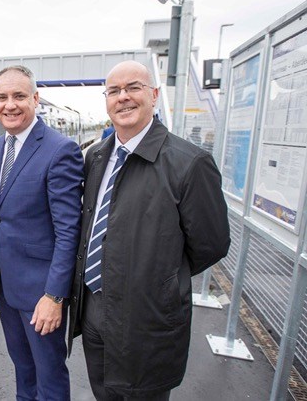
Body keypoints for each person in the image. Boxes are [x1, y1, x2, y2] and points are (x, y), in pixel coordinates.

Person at [69, 61, 230, 401]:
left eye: (133, 88)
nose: (123, 98)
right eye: (114, 91)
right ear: (106, 101)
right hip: (95, 310)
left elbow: (211, 245)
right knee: (104, 394)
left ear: (154, 95)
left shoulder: (189, 162)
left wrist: (161, 279)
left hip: (148, 319)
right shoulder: (96, 156)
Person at [0, 65, 84, 401]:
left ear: (35, 99)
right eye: (2, 97)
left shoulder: (59, 150)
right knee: (23, 370)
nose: (10, 105)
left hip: (41, 293)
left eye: (19, 96)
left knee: (49, 376)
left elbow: (69, 232)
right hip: (6, 286)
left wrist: (54, 296)